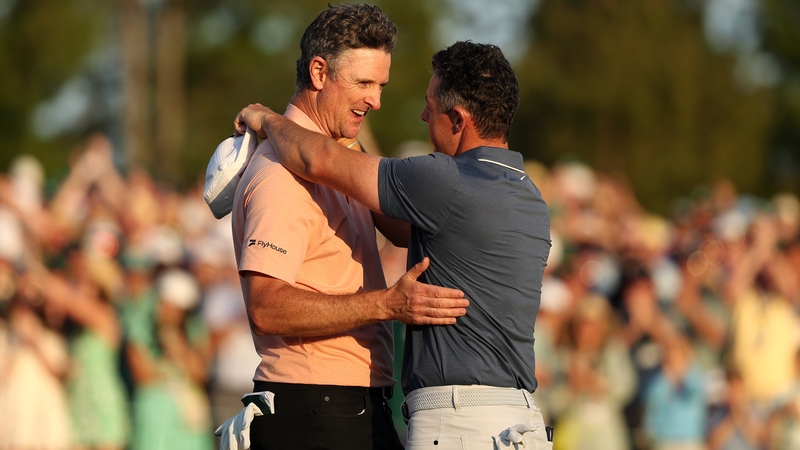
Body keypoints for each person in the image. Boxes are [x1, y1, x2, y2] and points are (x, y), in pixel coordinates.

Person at [234, 40, 553, 449]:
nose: (422, 115)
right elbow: (402, 229)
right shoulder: (529, 195)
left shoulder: (445, 180)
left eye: (430, 106)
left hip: (459, 422)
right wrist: (349, 138)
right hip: (518, 419)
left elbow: (317, 162)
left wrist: (267, 118)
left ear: (458, 119)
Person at [210, 4, 469, 450]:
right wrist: (387, 304)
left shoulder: (335, 157)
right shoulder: (280, 174)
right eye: (364, 83)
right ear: (318, 72)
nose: (377, 100)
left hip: (346, 407)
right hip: (315, 410)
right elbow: (267, 307)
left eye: (381, 85)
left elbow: (411, 232)